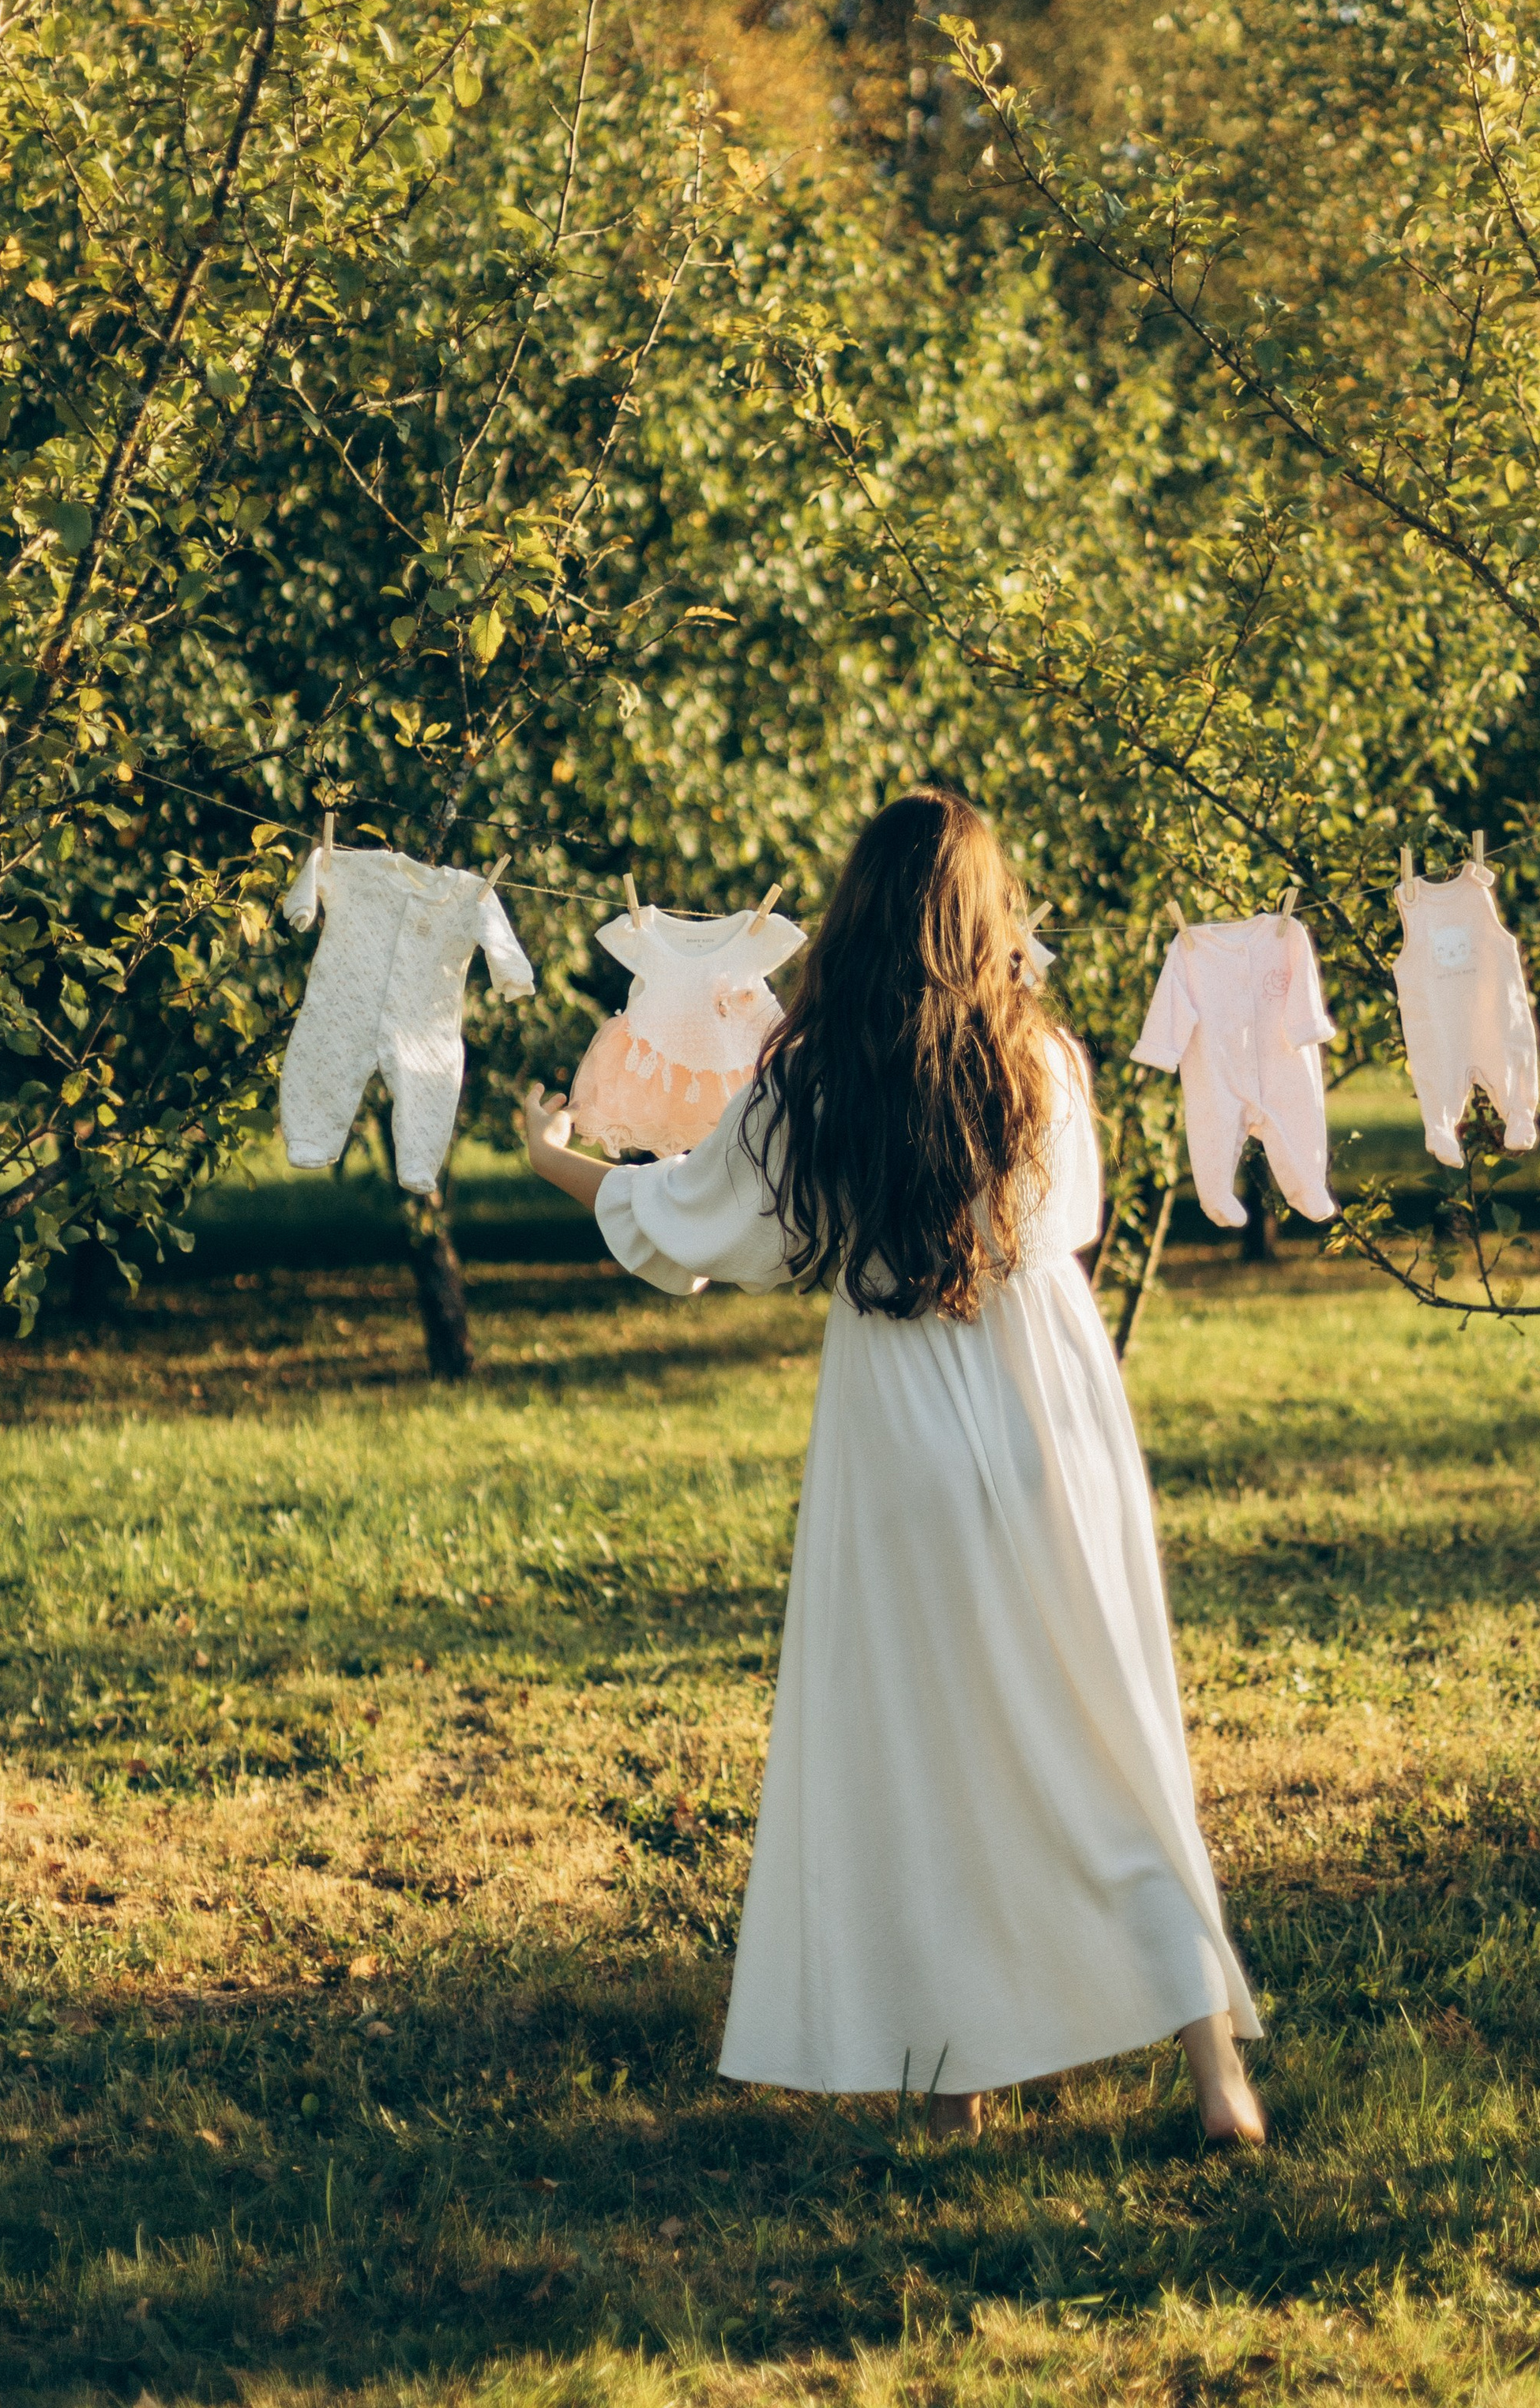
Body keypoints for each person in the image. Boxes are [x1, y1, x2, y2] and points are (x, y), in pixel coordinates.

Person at [520, 788, 1264, 2147]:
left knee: (927, 1749)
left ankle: (955, 2079)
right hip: (1053, 1407)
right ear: (989, 917)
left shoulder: (812, 1083)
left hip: (901, 1418)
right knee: (1110, 1728)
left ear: (856, 916)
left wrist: (555, 1160)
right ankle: (1219, 2076)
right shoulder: (1046, 1063)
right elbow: (1074, 1222)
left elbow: (688, 1219)